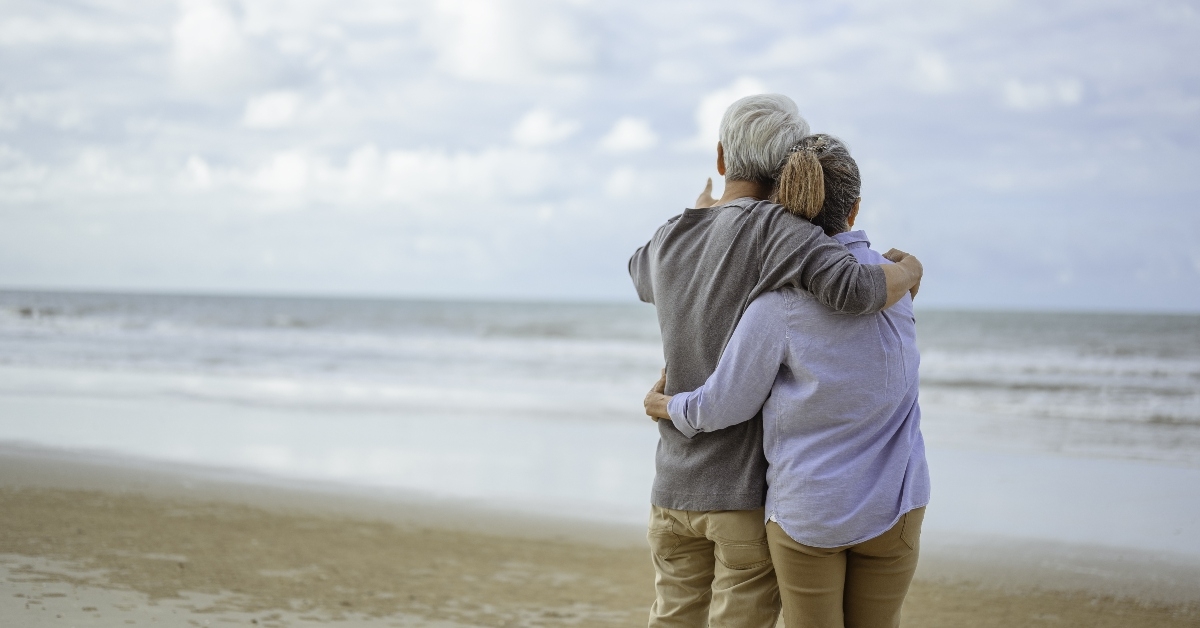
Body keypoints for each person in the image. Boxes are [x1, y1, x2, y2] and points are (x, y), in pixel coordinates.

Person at [628, 95, 924, 627]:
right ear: (791, 169)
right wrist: (908, 271)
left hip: (671, 486)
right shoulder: (778, 231)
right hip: (738, 493)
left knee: (670, 617)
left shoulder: (674, 233)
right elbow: (856, 288)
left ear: (721, 159)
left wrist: (699, 212)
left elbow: (639, 273)